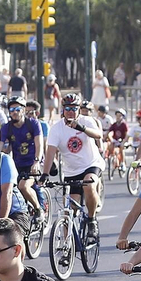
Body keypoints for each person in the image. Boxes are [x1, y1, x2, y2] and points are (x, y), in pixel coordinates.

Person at [41, 94, 105, 232]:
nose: (71, 111)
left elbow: (98, 135)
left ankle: (91, 219)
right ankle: (66, 242)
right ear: (63, 110)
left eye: (74, 108)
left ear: (79, 110)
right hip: (71, 171)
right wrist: (45, 174)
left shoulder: (86, 121)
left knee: (89, 185)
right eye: (68, 108)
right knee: (69, 210)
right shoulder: (56, 129)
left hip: (91, 164)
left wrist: (81, 128)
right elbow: (50, 152)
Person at [0, 99, 45, 216]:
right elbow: (0, 147)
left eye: (17, 109)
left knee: (23, 186)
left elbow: (39, 144)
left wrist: (36, 161)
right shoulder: (6, 128)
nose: (14, 112)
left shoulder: (33, 124)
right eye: (11, 110)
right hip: (17, 165)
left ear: (23, 110)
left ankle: (39, 209)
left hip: (33, 164)